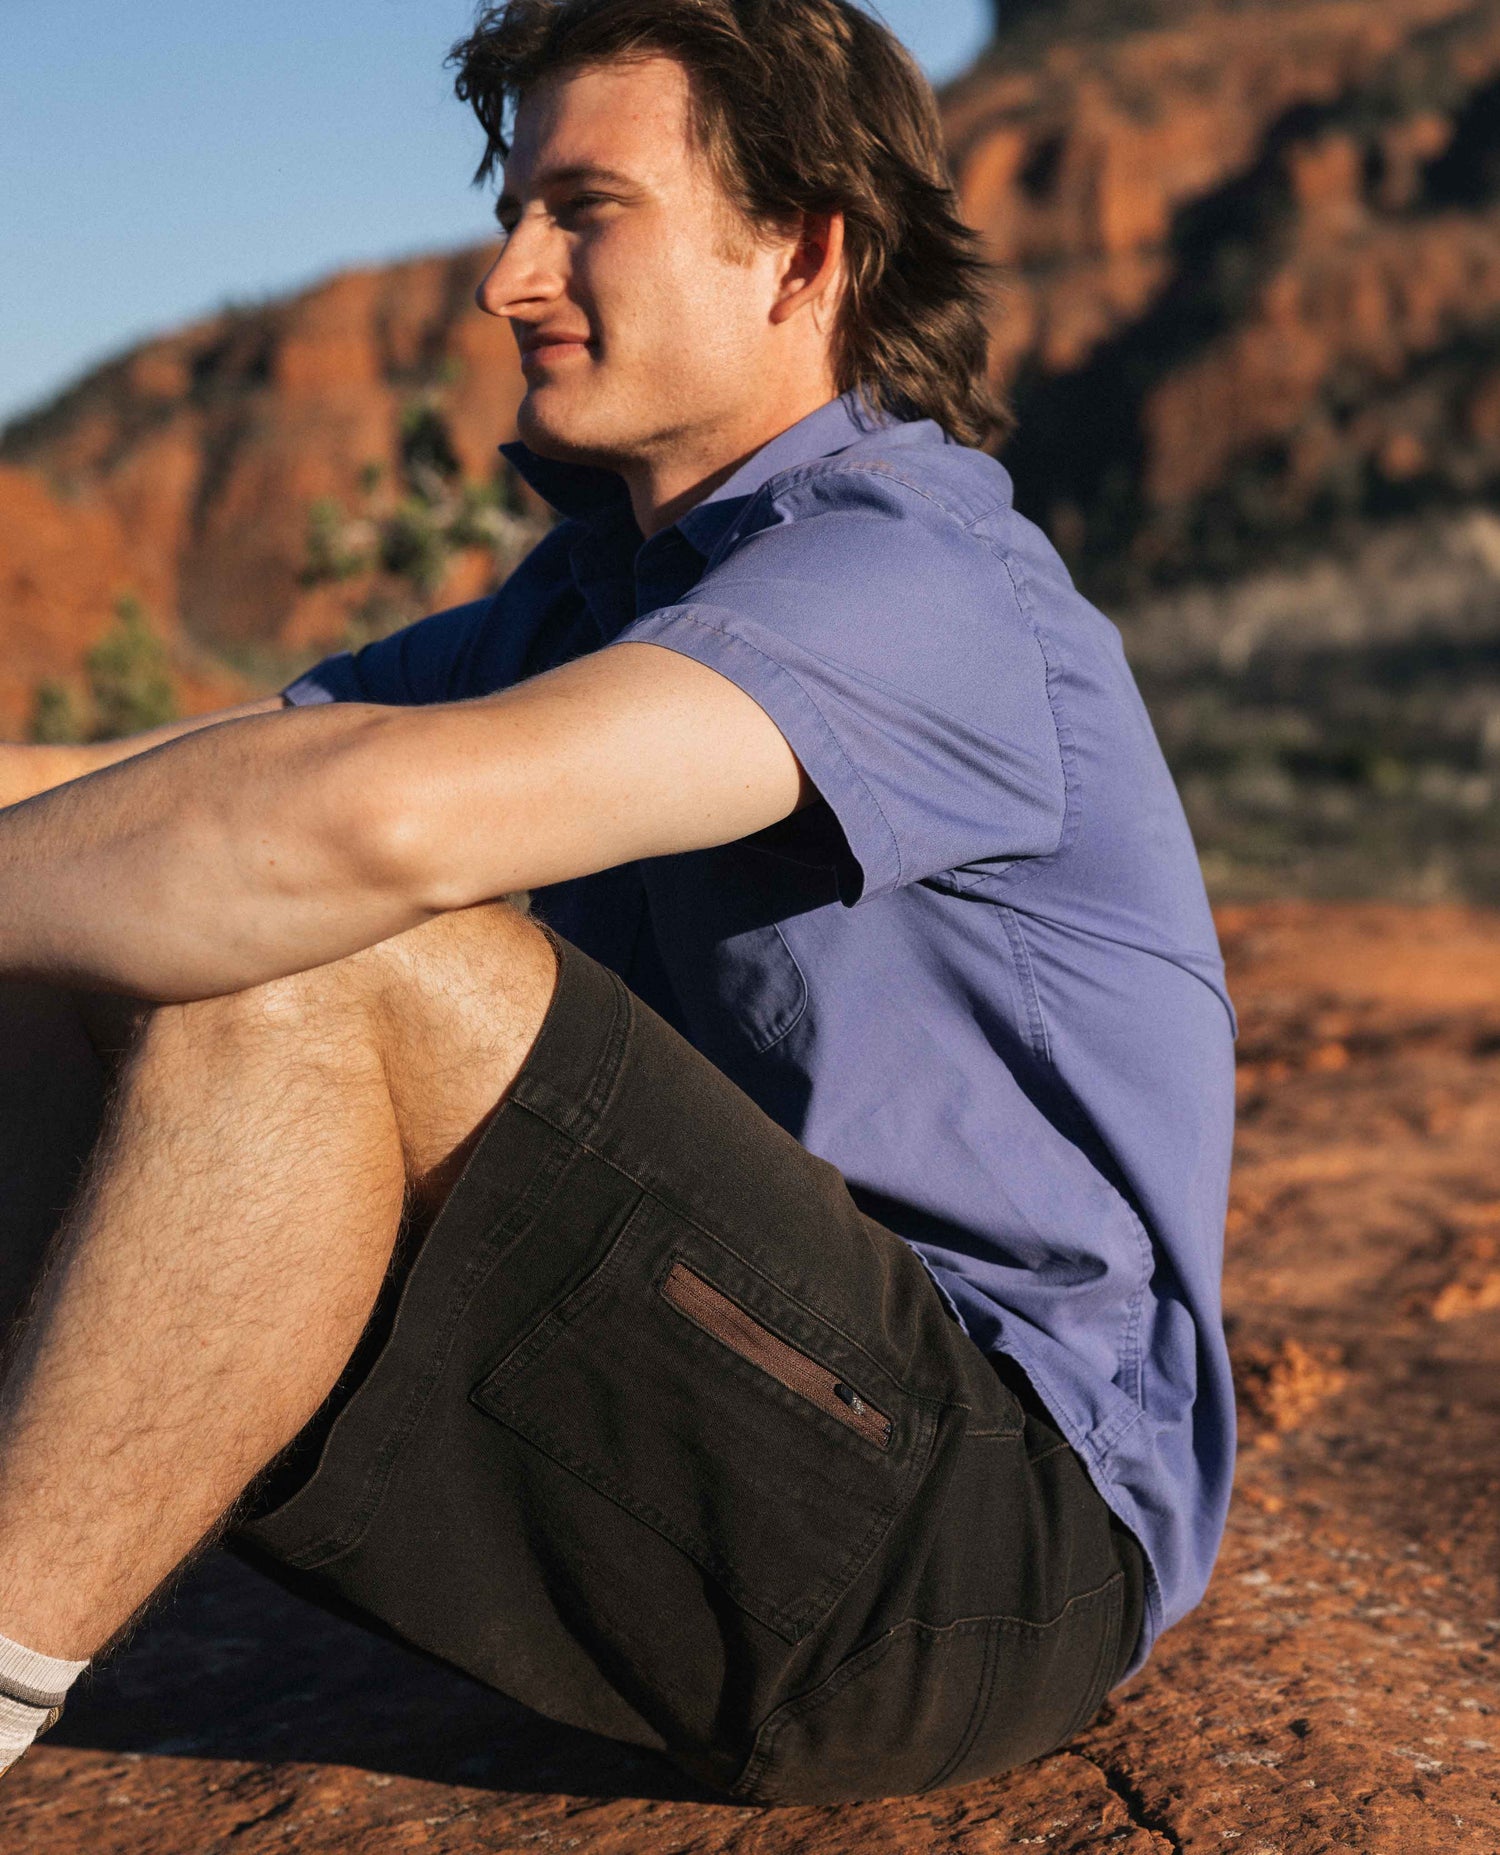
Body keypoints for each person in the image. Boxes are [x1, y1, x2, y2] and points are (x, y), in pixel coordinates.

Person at [0, 0, 1237, 1806]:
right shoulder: (597, 604)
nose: (508, 278)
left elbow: (364, 830)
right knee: (90, 936)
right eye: (517, 209)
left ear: (804, 250)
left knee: (314, 956)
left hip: (976, 1551)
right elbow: (151, 794)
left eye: (587, 207)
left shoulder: (921, 580)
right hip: (704, 1458)